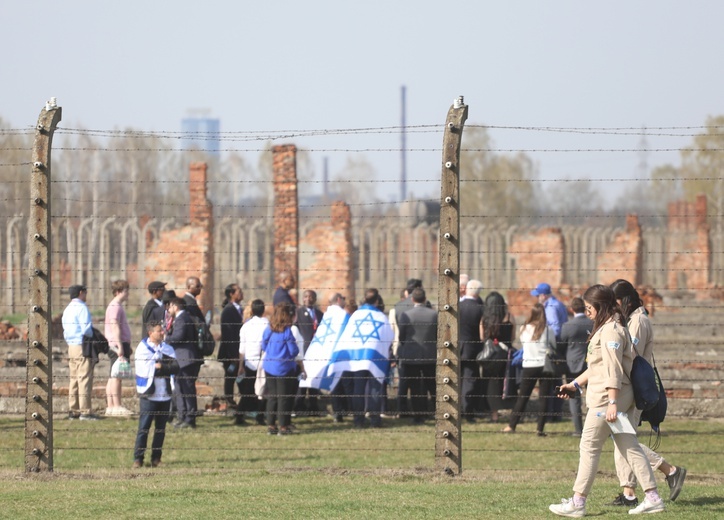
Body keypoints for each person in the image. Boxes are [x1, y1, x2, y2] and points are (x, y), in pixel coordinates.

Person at [549, 284, 665, 517]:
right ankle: (653, 498)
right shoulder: (608, 326)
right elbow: (597, 366)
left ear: (600, 306)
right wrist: (573, 384)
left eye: (590, 307)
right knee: (629, 446)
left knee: (589, 446)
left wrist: (612, 403)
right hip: (613, 397)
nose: (587, 311)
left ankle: (578, 502)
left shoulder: (612, 330)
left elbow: (613, 369)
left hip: (608, 399)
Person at [609, 279, 686, 506]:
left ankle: (670, 470)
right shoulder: (632, 319)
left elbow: (631, 355)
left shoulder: (639, 321)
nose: (614, 308)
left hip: (632, 388)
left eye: (615, 303)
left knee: (625, 440)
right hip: (627, 386)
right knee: (622, 439)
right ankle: (629, 494)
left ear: (624, 300)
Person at [327, 289, 393, 429]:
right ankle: (375, 421)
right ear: (376, 301)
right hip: (375, 356)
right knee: (375, 388)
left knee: (358, 388)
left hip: (357, 356)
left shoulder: (356, 315)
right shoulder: (381, 316)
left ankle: (358, 420)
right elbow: (388, 336)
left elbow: (348, 334)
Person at [502, 303, 555, 436]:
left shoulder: (524, 329)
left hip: (529, 365)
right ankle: (540, 429)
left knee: (523, 397)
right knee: (544, 398)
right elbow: (553, 345)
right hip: (544, 365)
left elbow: (524, 343)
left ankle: (512, 425)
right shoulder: (547, 329)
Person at [132, 321, 180, 469]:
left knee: (160, 429)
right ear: (150, 333)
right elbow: (144, 369)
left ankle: (156, 458)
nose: (162, 333)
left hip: (164, 394)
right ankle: (138, 458)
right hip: (149, 395)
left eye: (162, 330)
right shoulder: (142, 349)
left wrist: (161, 366)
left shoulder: (167, 348)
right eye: (159, 331)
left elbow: (176, 367)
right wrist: (161, 368)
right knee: (144, 428)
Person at [261, 303, 303, 435]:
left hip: (269, 366)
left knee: (272, 397)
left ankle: (271, 426)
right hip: (284, 367)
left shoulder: (269, 329)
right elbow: (293, 350)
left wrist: (271, 353)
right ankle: (283, 427)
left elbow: (263, 345)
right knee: (283, 398)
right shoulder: (286, 331)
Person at [397, 287, 437, 423]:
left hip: (411, 355)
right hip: (430, 355)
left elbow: (402, 336)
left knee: (414, 387)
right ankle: (438, 412)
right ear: (425, 299)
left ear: (412, 299)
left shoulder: (406, 315)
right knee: (433, 386)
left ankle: (418, 416)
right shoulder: (434, 315)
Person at [531, 282, 568, 424]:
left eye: (538, 296)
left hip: (554, 347)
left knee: (553, 380)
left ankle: (552, 413)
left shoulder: (551, 307)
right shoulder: (556, 304)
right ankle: (555, 413)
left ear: (543, 295)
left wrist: (546, 339)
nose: (537, 299)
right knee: (556, 380)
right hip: (558, 346)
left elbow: (555, 328)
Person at [62, 284, 98, 420]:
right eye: (85, 292)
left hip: (71, 346)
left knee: (74, 378)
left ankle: (74, 409)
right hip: (82, 345)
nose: (86, 295)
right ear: (81, 292)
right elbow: (86, 329)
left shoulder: (67, 309)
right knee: (84, 378)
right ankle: (85, 411)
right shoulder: (82, 308)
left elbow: (65, 330)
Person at [165, 297, 201, 429]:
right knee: (180, 388)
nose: (168, 310)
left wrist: (165, 337)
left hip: (186, 359)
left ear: (175, 306)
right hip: (180, 359)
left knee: (187, 389)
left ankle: (190, 418)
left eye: (169, 307)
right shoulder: (180, 318)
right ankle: (182, 416)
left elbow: (178, 337)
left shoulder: (182, 318)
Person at [481, 291, 515, 423]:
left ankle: (494, 415)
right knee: (507, 382)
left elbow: (481, 338)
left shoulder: (485, 319)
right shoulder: (509, 317)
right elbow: (513, 337)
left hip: (490, 356)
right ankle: (511, 411)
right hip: (505, 355)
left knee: (491, 384)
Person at [560, 297, 592, 437]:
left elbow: (561, 344)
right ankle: (595, 428)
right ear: (585, 309)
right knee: (594, 396)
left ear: (571, 309)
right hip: (590, 364)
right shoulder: (592, 323)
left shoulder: (568, 325)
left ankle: (578, 430)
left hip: (572, 364)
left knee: (574, 397)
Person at [237, 299, 269, 426]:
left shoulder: (246, 326)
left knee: (247, 391)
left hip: (249, 362)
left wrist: (241, 366)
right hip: (263, 361)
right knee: (263, 390)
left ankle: (239, 415)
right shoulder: (267, 324)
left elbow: (242, 349)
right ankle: (260, 416)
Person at [104, 279, 133, 417]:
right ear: (119, 291)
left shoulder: (114, 305)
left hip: (115, 343)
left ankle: (110, 406)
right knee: (117, 376)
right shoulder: (115, 306)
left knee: (113, 375)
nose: (128, 294)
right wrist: (120, 344)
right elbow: (114, 325)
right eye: (126, 291)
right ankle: (116, 406)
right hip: (117, 344)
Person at [458, 279, 485, 422]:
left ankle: (454, 409)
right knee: (469, 380)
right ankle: (467, 411)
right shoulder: (480, 308)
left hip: (456, 347)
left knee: (456, 379)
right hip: (472, 348)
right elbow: (482, 332)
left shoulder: (457, 306)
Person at [295, 289, 324, 416]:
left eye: (311, 297)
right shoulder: (298, 313)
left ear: (314, 299)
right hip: (304, 351)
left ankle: (313, 407)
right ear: (303, 299)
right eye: (306, 296)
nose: (308, 299)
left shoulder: (319, 314)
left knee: (314, 380)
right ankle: (298, 407)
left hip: (316, 352)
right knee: (302, 380)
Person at [219, 283, 244, 414]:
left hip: (238, 351)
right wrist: (233, 354)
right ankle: (229, 401)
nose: (241, 293)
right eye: (238, 291)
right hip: (230, 352)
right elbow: (228, 333)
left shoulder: (239, 309)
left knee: (238, 376)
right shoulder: (228, 310)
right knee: (230, 376)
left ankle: (242, 401)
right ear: (231, 294)